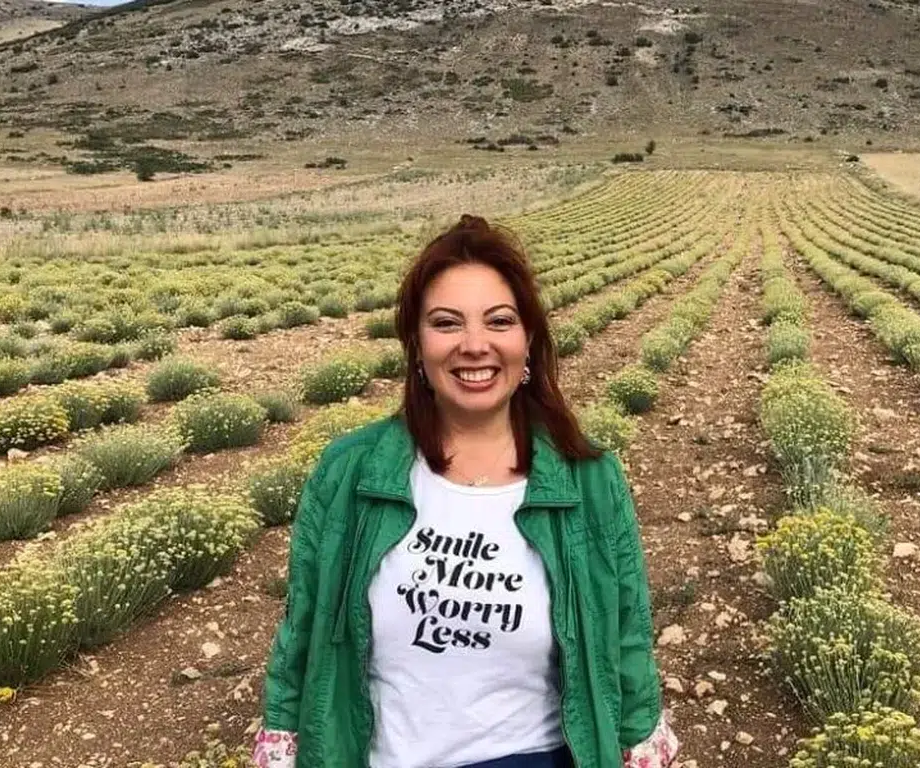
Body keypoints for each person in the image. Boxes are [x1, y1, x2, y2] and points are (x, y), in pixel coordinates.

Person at [253, 215, 679, 768]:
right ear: (417, 345)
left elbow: (626, 641)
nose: (475, 346)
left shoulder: (590, 480)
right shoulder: (349, 472)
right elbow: (302, 634)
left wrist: (639, 740)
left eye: (499, 321)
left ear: (528, 340)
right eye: (446, 323)